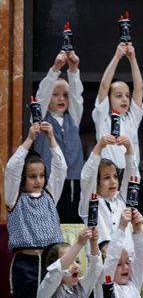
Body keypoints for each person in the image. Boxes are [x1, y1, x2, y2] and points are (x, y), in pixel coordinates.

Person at [5, 121, 66, 298]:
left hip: (52, 262)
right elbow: (11, 169)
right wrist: (30, 139)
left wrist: (51, 138)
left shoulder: (49, 194)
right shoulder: (13, 198)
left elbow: (61, 168)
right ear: (22, 179)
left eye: (41, 175)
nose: (38, 180)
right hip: (26, 265)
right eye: (32, 176)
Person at [34, 49, 85, 222]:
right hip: (48, 179)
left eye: (64, 95)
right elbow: (42, 94)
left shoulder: (73, 117)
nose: (61, 98)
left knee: (71, 218)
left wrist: (73, 69)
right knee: (49, 217)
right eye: (55, 95)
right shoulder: (40, 118)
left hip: (73, 178)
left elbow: (77, 96)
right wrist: (56, 68)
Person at [78, 134, 139, 246]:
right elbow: (87, 177)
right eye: (106, 177)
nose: (113, 181)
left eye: (115, 176)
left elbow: (132, 176)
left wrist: (129, 148)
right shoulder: (90, 202)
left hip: (125, 260)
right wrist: (99, 147)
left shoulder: (122, 199)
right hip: (100, 259)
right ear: (96, 182)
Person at [93, 42, 143, 170]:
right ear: (108, 99)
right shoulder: (102, 117)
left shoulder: (132, 117)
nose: (125, 99)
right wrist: (117, 57)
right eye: (118, 95)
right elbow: (104, 86)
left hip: (130, 174)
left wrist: (132, 59)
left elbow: (139, 89)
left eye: (127, 95)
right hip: (108, 174)